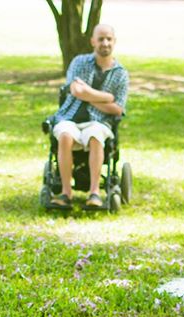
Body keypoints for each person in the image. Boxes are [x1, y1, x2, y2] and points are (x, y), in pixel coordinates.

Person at [47, 23, 129, 211]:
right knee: (65, 134)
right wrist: (106, 97)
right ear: (93, 41)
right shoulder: (79, 62)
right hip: (70, 117)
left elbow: (117, 108)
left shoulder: (121, 74)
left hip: (99, 121)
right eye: (101, 39)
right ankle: (66, 193)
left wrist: (88, 95)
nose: (105, 43)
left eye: (109, 39)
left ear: (114, 42)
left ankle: (94, 193)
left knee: (95, 135)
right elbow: (75, 90)